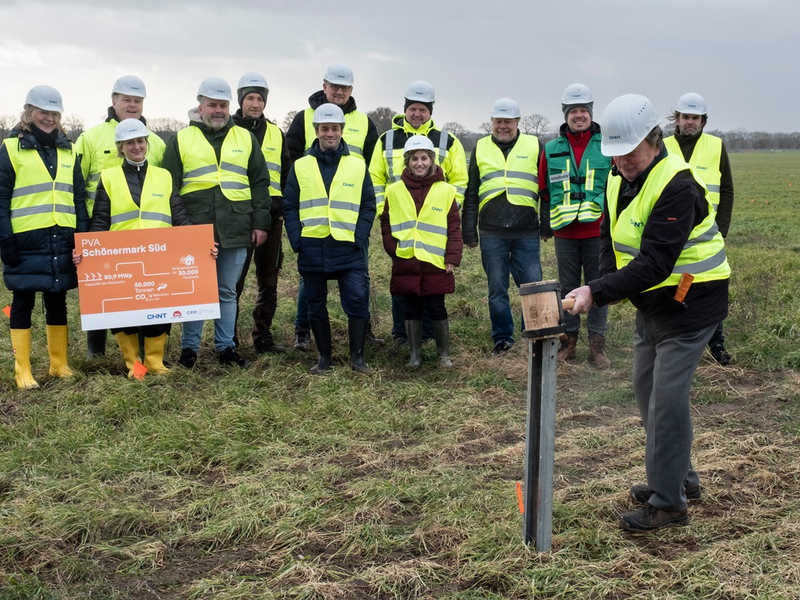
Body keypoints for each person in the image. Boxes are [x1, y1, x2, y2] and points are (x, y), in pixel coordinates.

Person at [566, 94, 730, 532]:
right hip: (654, 303)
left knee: (666, 401)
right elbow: (608, 236)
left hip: (692, 302)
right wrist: (607, 281)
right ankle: (681, 478)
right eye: (615, 155)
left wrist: (597, 292)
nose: (622, 162)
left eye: (630, 152)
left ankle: (669, 503)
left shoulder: (678, 184)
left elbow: (657, 261)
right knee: (646, 391)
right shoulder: (618, 178)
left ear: (654, 141)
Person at [161, 77, 271, 369]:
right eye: (213, 105)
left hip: (236, 226)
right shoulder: (181, 139)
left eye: (223, 105)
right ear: (201, 106)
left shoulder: (245, 138)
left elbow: (261, 183)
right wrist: (179, 226)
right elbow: (167, 186)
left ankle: (226, 348)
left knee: (226, 291)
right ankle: (189, 350)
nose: (219, 110)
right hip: (194, 228)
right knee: (194, 290)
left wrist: (261, 223)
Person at [90, 119, 203, 377]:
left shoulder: (164, 177)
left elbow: (179, 215)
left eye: (140, 141)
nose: (136, 146)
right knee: (123, 311)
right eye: (130, 142)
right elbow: (100, 219)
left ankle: (154, 361)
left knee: (160, 309)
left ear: (147, 143)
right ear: (120, 147)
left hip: (159, 257)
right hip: (120, 258)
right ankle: (134, 364)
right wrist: (89, 251)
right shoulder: (108, 178)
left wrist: (199, 243)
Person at [286, 64, 381, 351]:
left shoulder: (364, 122)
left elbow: (373, 162)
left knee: (358, 278)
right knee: (310, 283)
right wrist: (297, 236)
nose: (339, 92)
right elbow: (291, 155)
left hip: (349, 224)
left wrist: (361, 233)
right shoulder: (303, 118)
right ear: (324, 86)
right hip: (314, 225)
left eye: (345, 87)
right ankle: (303, 330)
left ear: (351, 90)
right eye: (334, 86)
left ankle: (362, 332)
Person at [0, 86, 89, 389]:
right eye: (43, 112)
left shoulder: (70, 149)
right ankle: (22, 370)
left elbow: (78, 198)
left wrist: (82, 238)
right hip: (25, 241)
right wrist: (5, 239)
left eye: (54, 113)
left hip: (61, 238)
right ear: (29, 113)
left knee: (57, 301)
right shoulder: (11, 149)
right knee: (22, 301)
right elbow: (1, 198)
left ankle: (58, 364)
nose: (49, 118)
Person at [369, 80, 468, 350]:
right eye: (413, 108)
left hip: (434, 227)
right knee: (404, 282)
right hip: (400, 222)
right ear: (405, 109)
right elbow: (375, 177)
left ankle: (429, 336)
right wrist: (383, 209)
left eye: (423, 109)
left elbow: (459, 179)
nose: (417, 114)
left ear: (431, 111)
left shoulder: (447, 140)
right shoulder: (386, 139)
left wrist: (447, 208)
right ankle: (403, 337)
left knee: (433, 285)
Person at [75, 75, 166, 358]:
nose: (132, 105)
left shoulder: (158, 144)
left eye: (137, 100)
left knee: (143, 290)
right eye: (126, 99)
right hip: (101, 228)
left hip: (146, 234)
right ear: (113, 100)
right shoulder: (90, 137)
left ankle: (142, 350)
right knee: (103, 290)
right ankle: (96, 350)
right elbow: (76, 185)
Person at [462, 98, 542, 356]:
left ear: (518, 122)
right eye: (498, 121)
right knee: (497, 289)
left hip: (526, 230)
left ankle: (532, 336)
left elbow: (546, 188)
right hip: (491, 232)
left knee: (531, 286)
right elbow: (472, 191)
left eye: (508, 121)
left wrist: (548, 224)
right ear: (492, 122)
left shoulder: (534, 146)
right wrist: (469, 230)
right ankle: (503, 339)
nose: (502, 126)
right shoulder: (480, 147)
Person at [539, 84, 612, 367]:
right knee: (568, 288)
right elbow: (544, 189)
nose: (579, 116)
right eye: (574, 111)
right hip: (565, 232)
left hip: (598, 231)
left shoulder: (606, 144)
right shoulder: (552, 148)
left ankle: (597, 347)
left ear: (591, 114)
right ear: (565, 115)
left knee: (598, 288)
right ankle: (569, 342)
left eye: (583, 111)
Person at [665, 93, 734, 365]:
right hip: (671, 231)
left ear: (703, 121)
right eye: (685, 117)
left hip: (707, 233)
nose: (690, 122)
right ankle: (675, 336)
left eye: (695, 117)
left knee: (710, 285)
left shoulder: (716, 146)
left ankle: (716, 343)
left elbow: (726, 189)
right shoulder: (664, 145)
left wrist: (722, 227)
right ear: (677, 119)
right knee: (671, 283)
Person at [381, 136, 462, 368]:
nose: (419, 163)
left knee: (437, 306)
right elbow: (385, 223)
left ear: (432, 161)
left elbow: (454, 227)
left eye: (424, 158)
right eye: (414, 158)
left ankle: (443, 355)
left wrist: (452, 257)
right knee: (411, 308)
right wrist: (391, 248)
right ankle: (414, 357)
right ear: (407, 162)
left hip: (435, 261)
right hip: (406, 258)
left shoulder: (446, 191)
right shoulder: (394, 190)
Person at [232, 72, 291, 354]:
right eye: (250, 98)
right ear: (240, 99)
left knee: (268, 281)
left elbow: (287, 175)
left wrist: (282, 212)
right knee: (234, 282)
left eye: (260, 99)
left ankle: (262, 337)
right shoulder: (228, 131)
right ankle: (227, 339)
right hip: (238, 217)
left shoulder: (277, 134)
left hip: (270, 218)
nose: (255, 104)